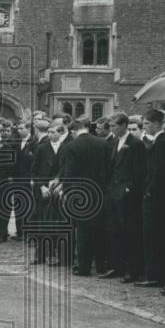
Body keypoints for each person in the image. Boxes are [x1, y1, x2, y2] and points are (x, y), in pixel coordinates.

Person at [58, 117, 109, 276]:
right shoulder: (103, 143)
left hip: (80, 194)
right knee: (99, 230)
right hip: (100, 191)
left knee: (82, 231)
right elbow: (108, 168)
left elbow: (69, 173)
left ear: (73, 131)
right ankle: (101, 266)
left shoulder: (71, 146)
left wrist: (67, 193)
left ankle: (84, 267)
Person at [136, 109, 165, 287]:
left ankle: (154, 275)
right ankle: (154, 273)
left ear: (156, 124)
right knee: (153, 236)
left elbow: (159, 172)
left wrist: (150, 191)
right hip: (156, 196)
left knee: (153, 236)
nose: (144, 127)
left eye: (146, 124)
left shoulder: (162, 143)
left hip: (156, 198)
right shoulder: (161, 142)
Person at [105, 113, 147, 280]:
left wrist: (129, 189)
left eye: (114, 125)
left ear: (123, 125)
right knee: (114, 231)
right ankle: (117, 266)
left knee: (129, 232)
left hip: (126, 194)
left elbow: (139, 171)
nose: (112, 128)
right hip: (113, 192)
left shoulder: (136, 144)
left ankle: (133, 269)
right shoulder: (114, 142)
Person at [29, 119, 66, 265]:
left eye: (53, 132)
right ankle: (41, 254)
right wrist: (42, 186)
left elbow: (67, 169)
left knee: (56, 223)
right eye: (49, 132)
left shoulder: (66, 148)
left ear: (61, 133)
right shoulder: (41, 148)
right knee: (42, 223)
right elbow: (33, 171)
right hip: (43, 191)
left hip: (58, 192)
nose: (50, 135)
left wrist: (60, 183)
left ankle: (55, 255)